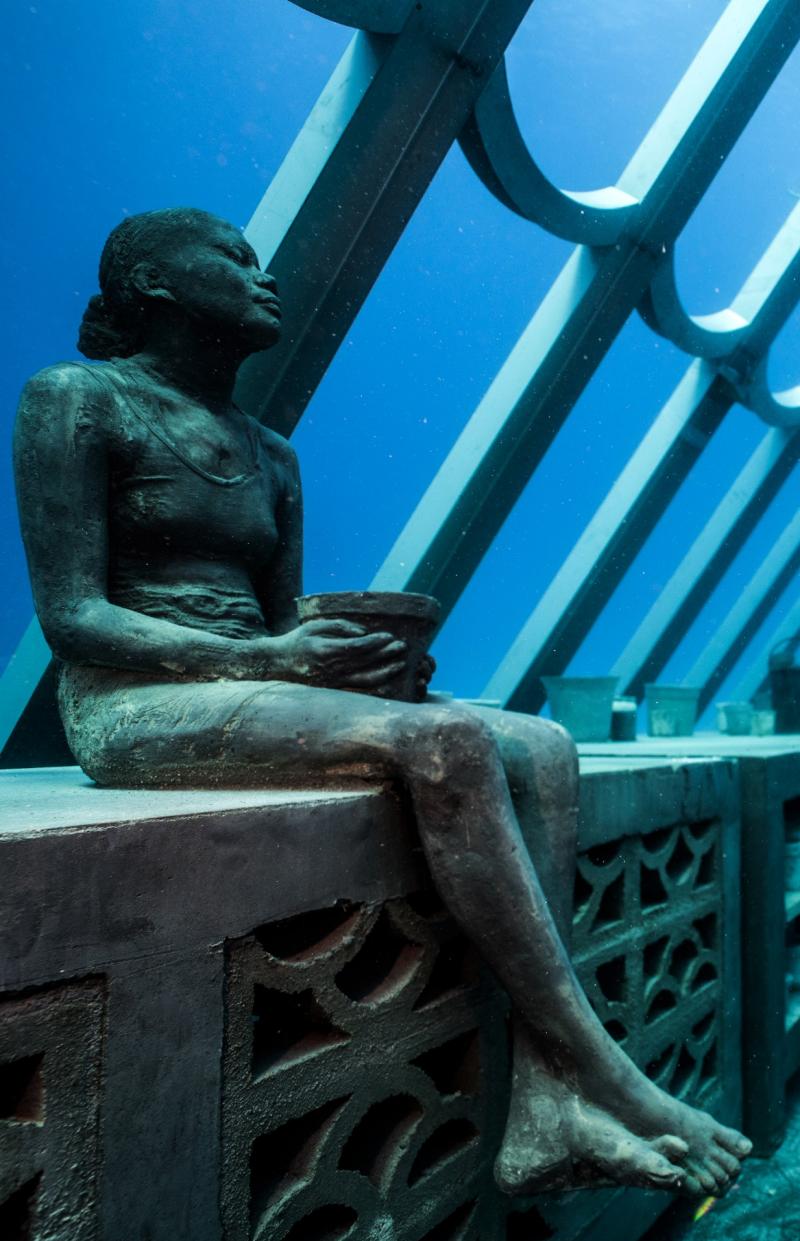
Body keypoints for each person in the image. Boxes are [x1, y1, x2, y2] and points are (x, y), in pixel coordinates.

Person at [13, 207, 751, 1198]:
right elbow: (73, 619)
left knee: (538, 742)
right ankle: (608, 1074)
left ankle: (542, 1100)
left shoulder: (270, 452)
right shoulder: (76, 397)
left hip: (251, 685)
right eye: (231, 257)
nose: (259, 272)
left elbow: (287, 629)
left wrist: (361, 666)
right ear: (151, 286)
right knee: (443, 740)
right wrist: (268, 652)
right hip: (133, 703)